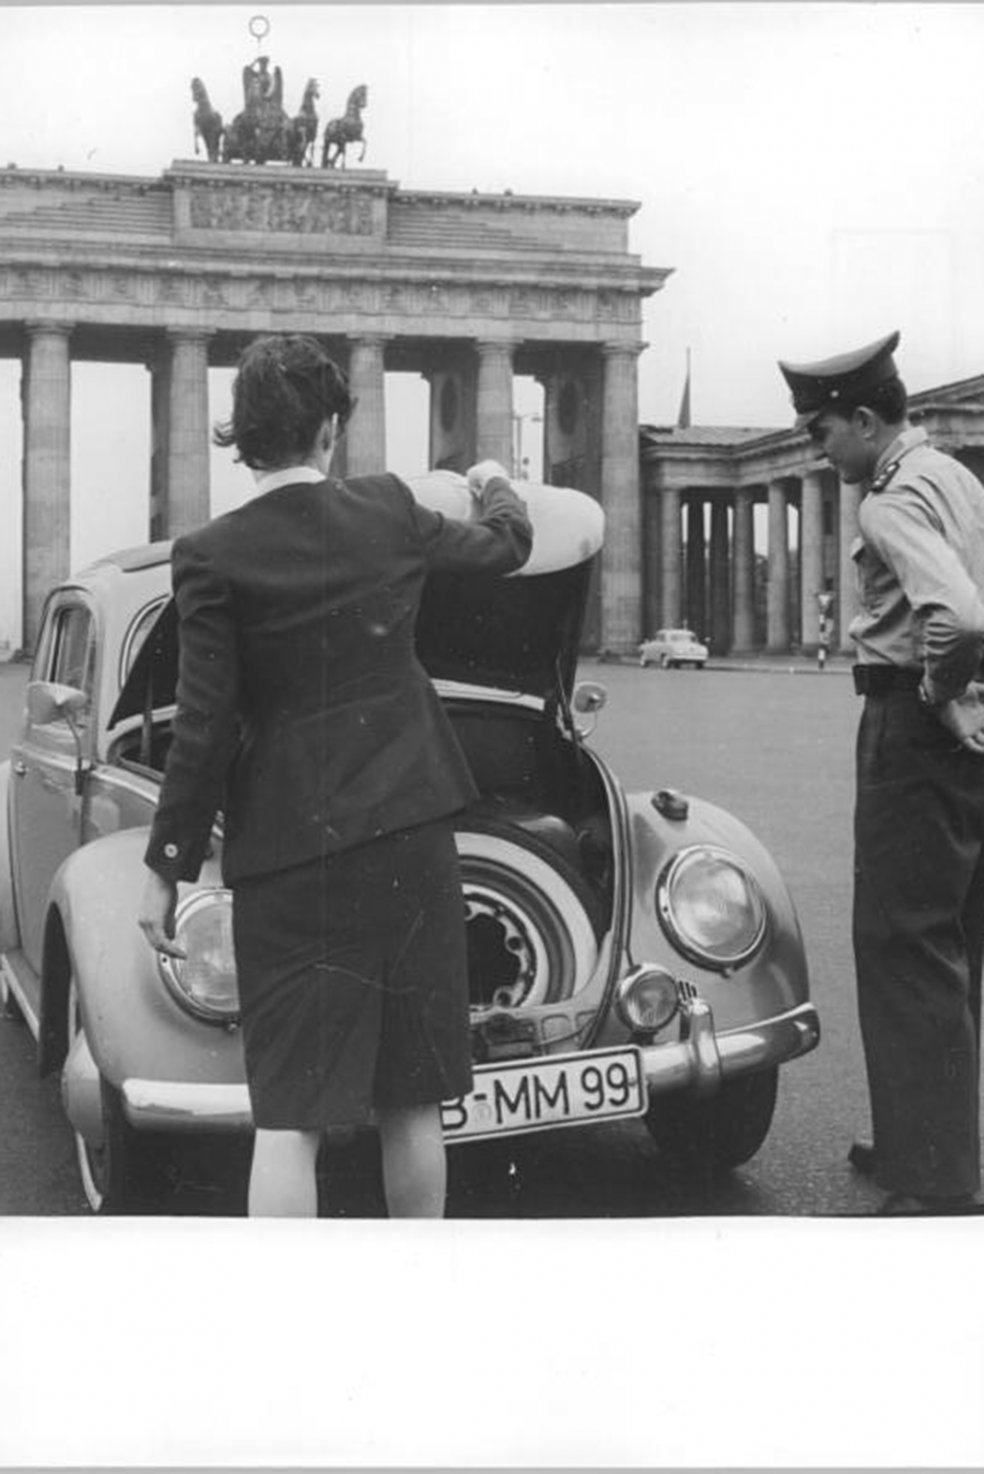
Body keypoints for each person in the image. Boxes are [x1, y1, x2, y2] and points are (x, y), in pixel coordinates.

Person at [137, 333, 533, 1218]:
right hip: (409, 834)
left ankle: (293, 1328)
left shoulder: (208, 553)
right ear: (329, 428)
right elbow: (508, 547)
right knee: (413, 1099)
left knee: (292, 1117)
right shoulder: (389, 508)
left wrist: (167, 869)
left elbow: (202, 729)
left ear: (244, 436)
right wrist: (492, 478)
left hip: (289, 855)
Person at [778, 329, 984, 1215]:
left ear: (864, 421)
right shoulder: (954, 476)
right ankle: (930, 1143)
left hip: (914, 723)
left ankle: (934, 1178)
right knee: (953, 945)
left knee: (903, 945)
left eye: (822, 435)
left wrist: (942, 690)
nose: (819, 454)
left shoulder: (887, 501)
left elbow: (960, 614)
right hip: (970, 733)